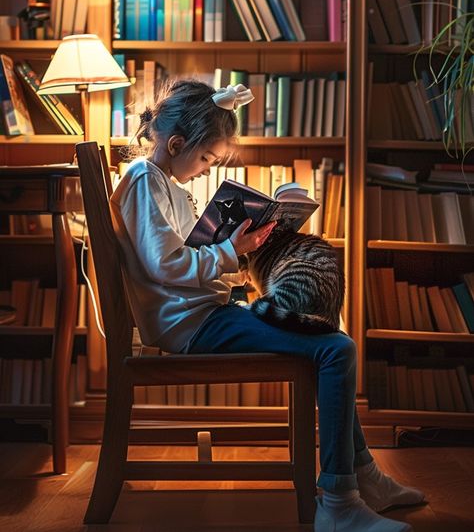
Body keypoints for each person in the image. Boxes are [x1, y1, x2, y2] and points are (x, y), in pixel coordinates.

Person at [110, 78, 425, 532]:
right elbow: (166, 264)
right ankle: (340, 501)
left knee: (330, 339)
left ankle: (362, 477)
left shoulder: (160, 183)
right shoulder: (144, 181)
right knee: (337, 349)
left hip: (199, 315)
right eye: (205, 159)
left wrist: (237, 253)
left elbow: (178, 260)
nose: (203, 169)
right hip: (190, 325)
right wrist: (230, 252)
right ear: (177, 143)